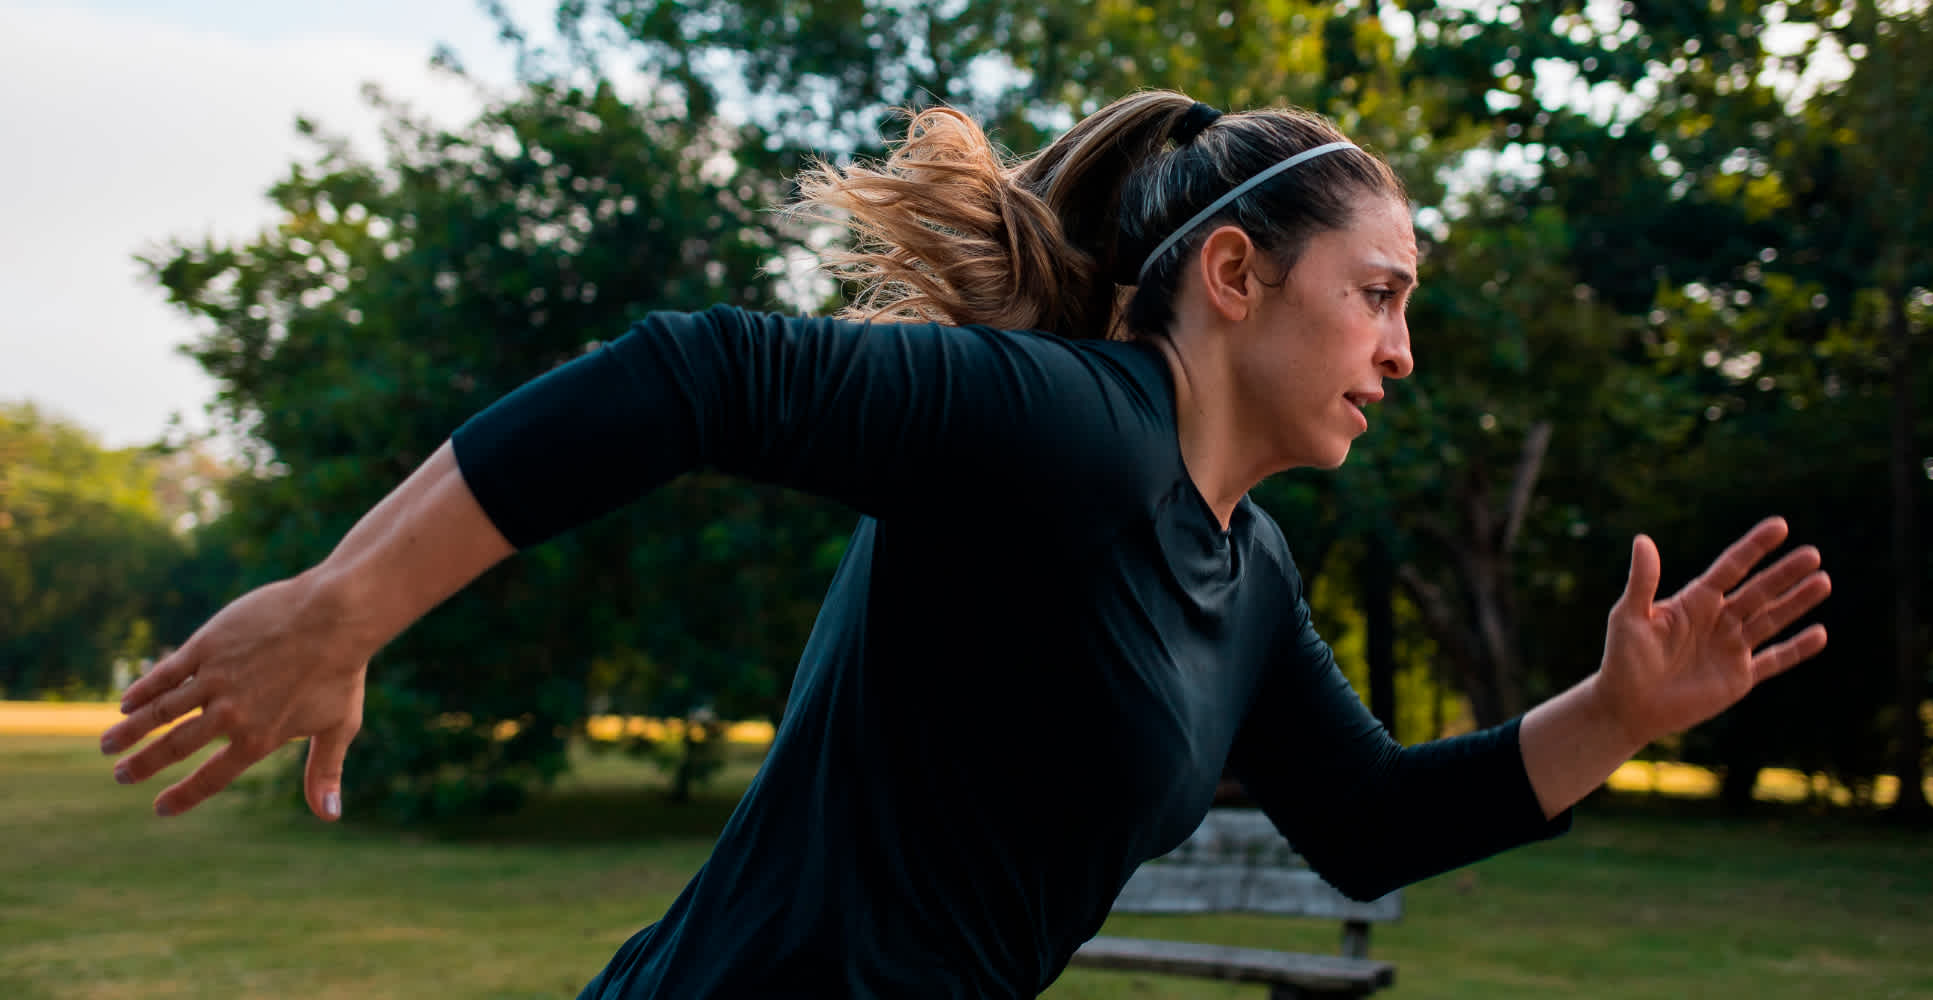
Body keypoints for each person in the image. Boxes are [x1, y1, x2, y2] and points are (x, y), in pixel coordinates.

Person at [98, 91, 1831, 998]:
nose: (1398, 351)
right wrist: (345, 602)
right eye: (1378, 297)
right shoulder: (1072, 425)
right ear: (1233, 278)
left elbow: (1364, 820)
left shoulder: (1245, 568)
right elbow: (695, 374)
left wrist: (1611, 715)